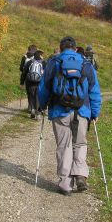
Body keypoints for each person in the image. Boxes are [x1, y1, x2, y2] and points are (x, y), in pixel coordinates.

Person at [38, 36, 102, 195]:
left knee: (64, 145)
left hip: (59, 111)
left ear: (60, 48)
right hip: (82, 110)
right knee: (80, 143)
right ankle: (80, 174)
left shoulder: (54, 62)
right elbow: (94, 90)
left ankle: (66, 184)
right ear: (75, 48)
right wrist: (95, 112)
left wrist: (42, 105)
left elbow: (43, 88)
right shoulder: (86, 64)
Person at [21, 49, 45, 119]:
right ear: (40, 55)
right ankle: (38, 113)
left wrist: (22, 83)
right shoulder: (44, 63)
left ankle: (32, 110)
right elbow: (47, 74)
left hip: (30, 82)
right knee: (38, 97)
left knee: (31, 96)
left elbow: (24, 73)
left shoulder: (29, 62)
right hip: (40, 82)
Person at [19, 44, 37, 113]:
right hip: (37, 78)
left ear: (28, 49)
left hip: (27, 77)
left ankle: (30, 106)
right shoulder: (38, 57)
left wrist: (22, 81)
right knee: (36, 93)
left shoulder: (24, 57)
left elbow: (21, 68)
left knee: (29, 92)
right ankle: (36, 107)